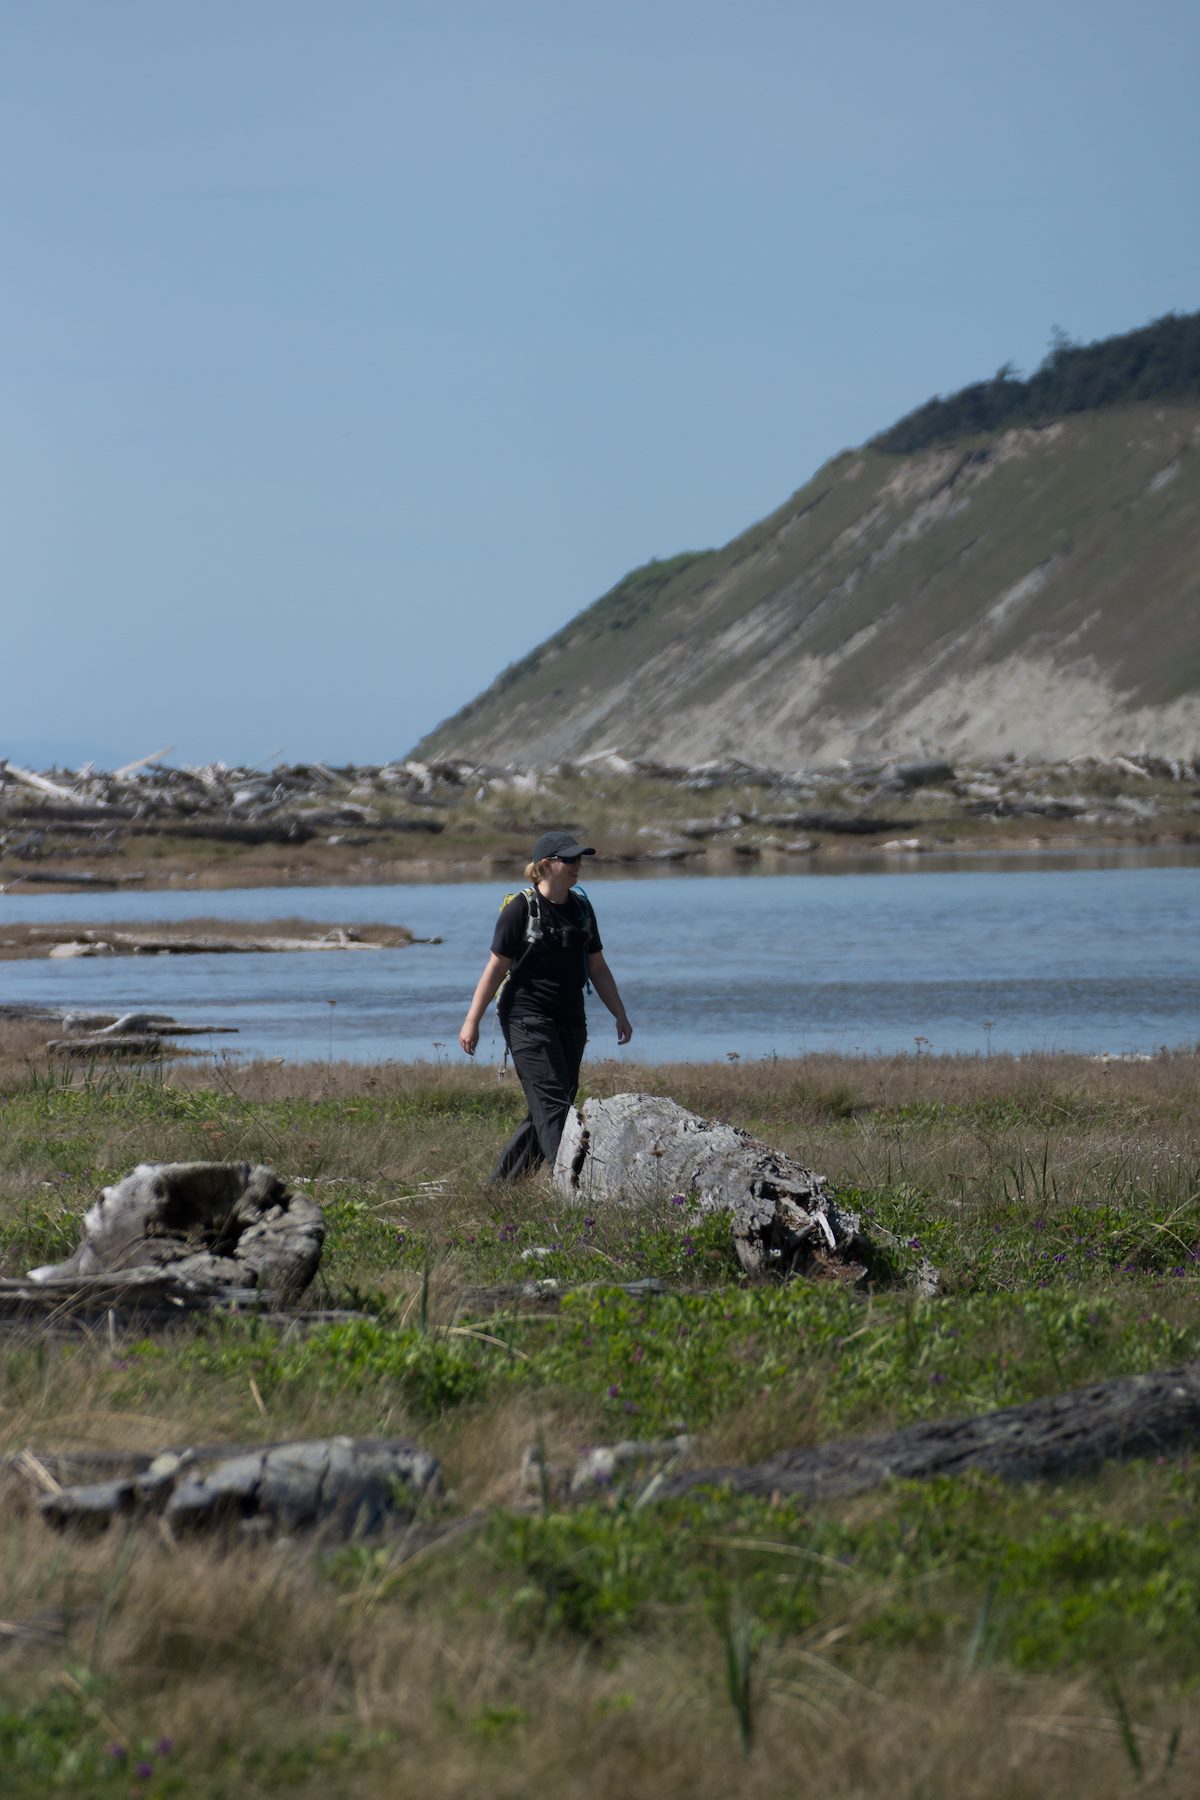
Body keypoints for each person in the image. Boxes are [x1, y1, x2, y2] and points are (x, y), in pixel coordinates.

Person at [458, 830, 633, 1181]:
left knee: (556, 1103)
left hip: (570, 1018)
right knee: (553, 1103)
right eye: (569, 859)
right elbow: (495, 970)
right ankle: (570, 1183)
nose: (577, 865)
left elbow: (596, 966)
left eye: (579, 858)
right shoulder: (520, 909)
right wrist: (471, 1021)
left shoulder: (582, 908)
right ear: (545, 865)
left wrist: (620, 1013)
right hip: (525, 1017)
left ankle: (502, 1189)